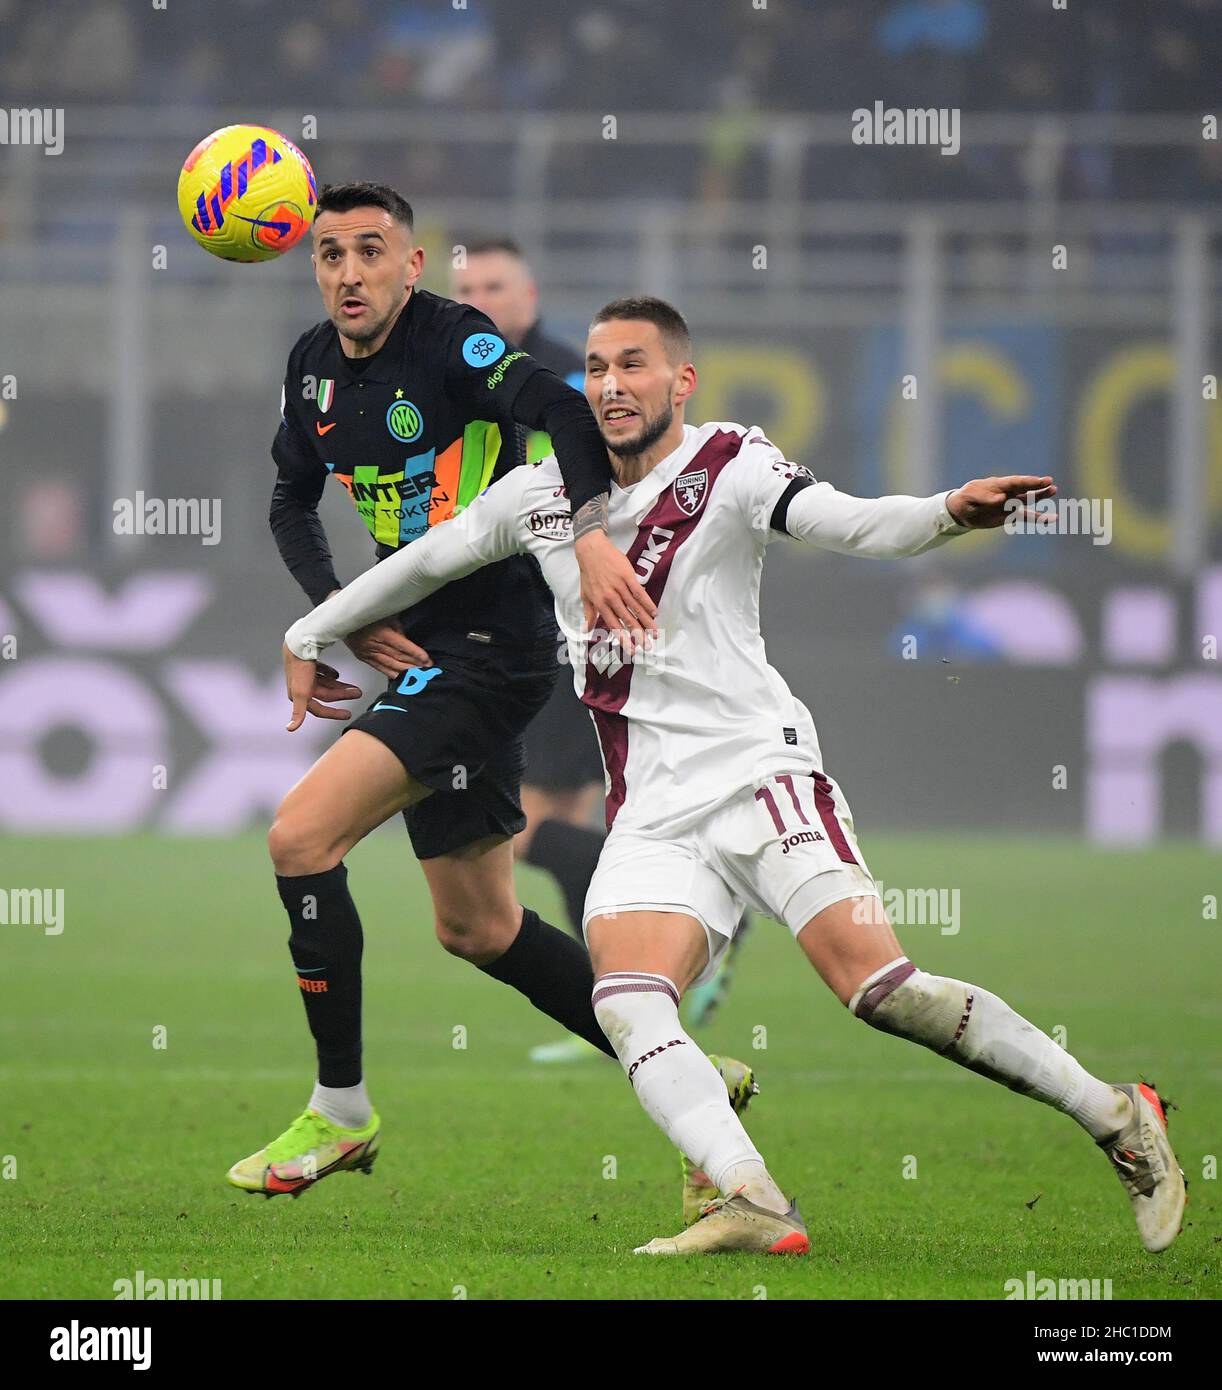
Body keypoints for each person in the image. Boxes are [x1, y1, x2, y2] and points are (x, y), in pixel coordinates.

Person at [280, 295, 1186, 1257]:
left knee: (881, 990)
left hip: (762, 774)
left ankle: (1118, 1114)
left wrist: (945, 514)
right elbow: (420, 563)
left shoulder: (731, 464)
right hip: (653, 810)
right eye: (595, 368)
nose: (611, 385)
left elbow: (850, 524)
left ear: (682, 380)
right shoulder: (536, 496)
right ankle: (751, 1194)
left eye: (633, 364)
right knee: (626, 1000)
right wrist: (310, 628)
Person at [227, 181, 668, 1198]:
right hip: (423, 644)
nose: (349, 273)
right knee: (478, 925)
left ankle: (339, 1111)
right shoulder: (311, 372)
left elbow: (557, 406)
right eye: (330, 254)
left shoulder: (454, 342)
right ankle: (675, 1059)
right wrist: (338, 604)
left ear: (410, 264)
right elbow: (291, 499)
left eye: (370, 252)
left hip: (487, 642)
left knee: (299, 837)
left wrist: (586, 529)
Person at [450, 237, 609, 1063]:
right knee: (565, 827)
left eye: (493, 283)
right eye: (464, 285)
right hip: (520, 626)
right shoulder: (453, 376)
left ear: (531, 291)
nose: (477, 295)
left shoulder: (574, 380)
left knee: (523, 833)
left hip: (564, 631)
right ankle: (625, 1003)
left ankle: (684, 907)